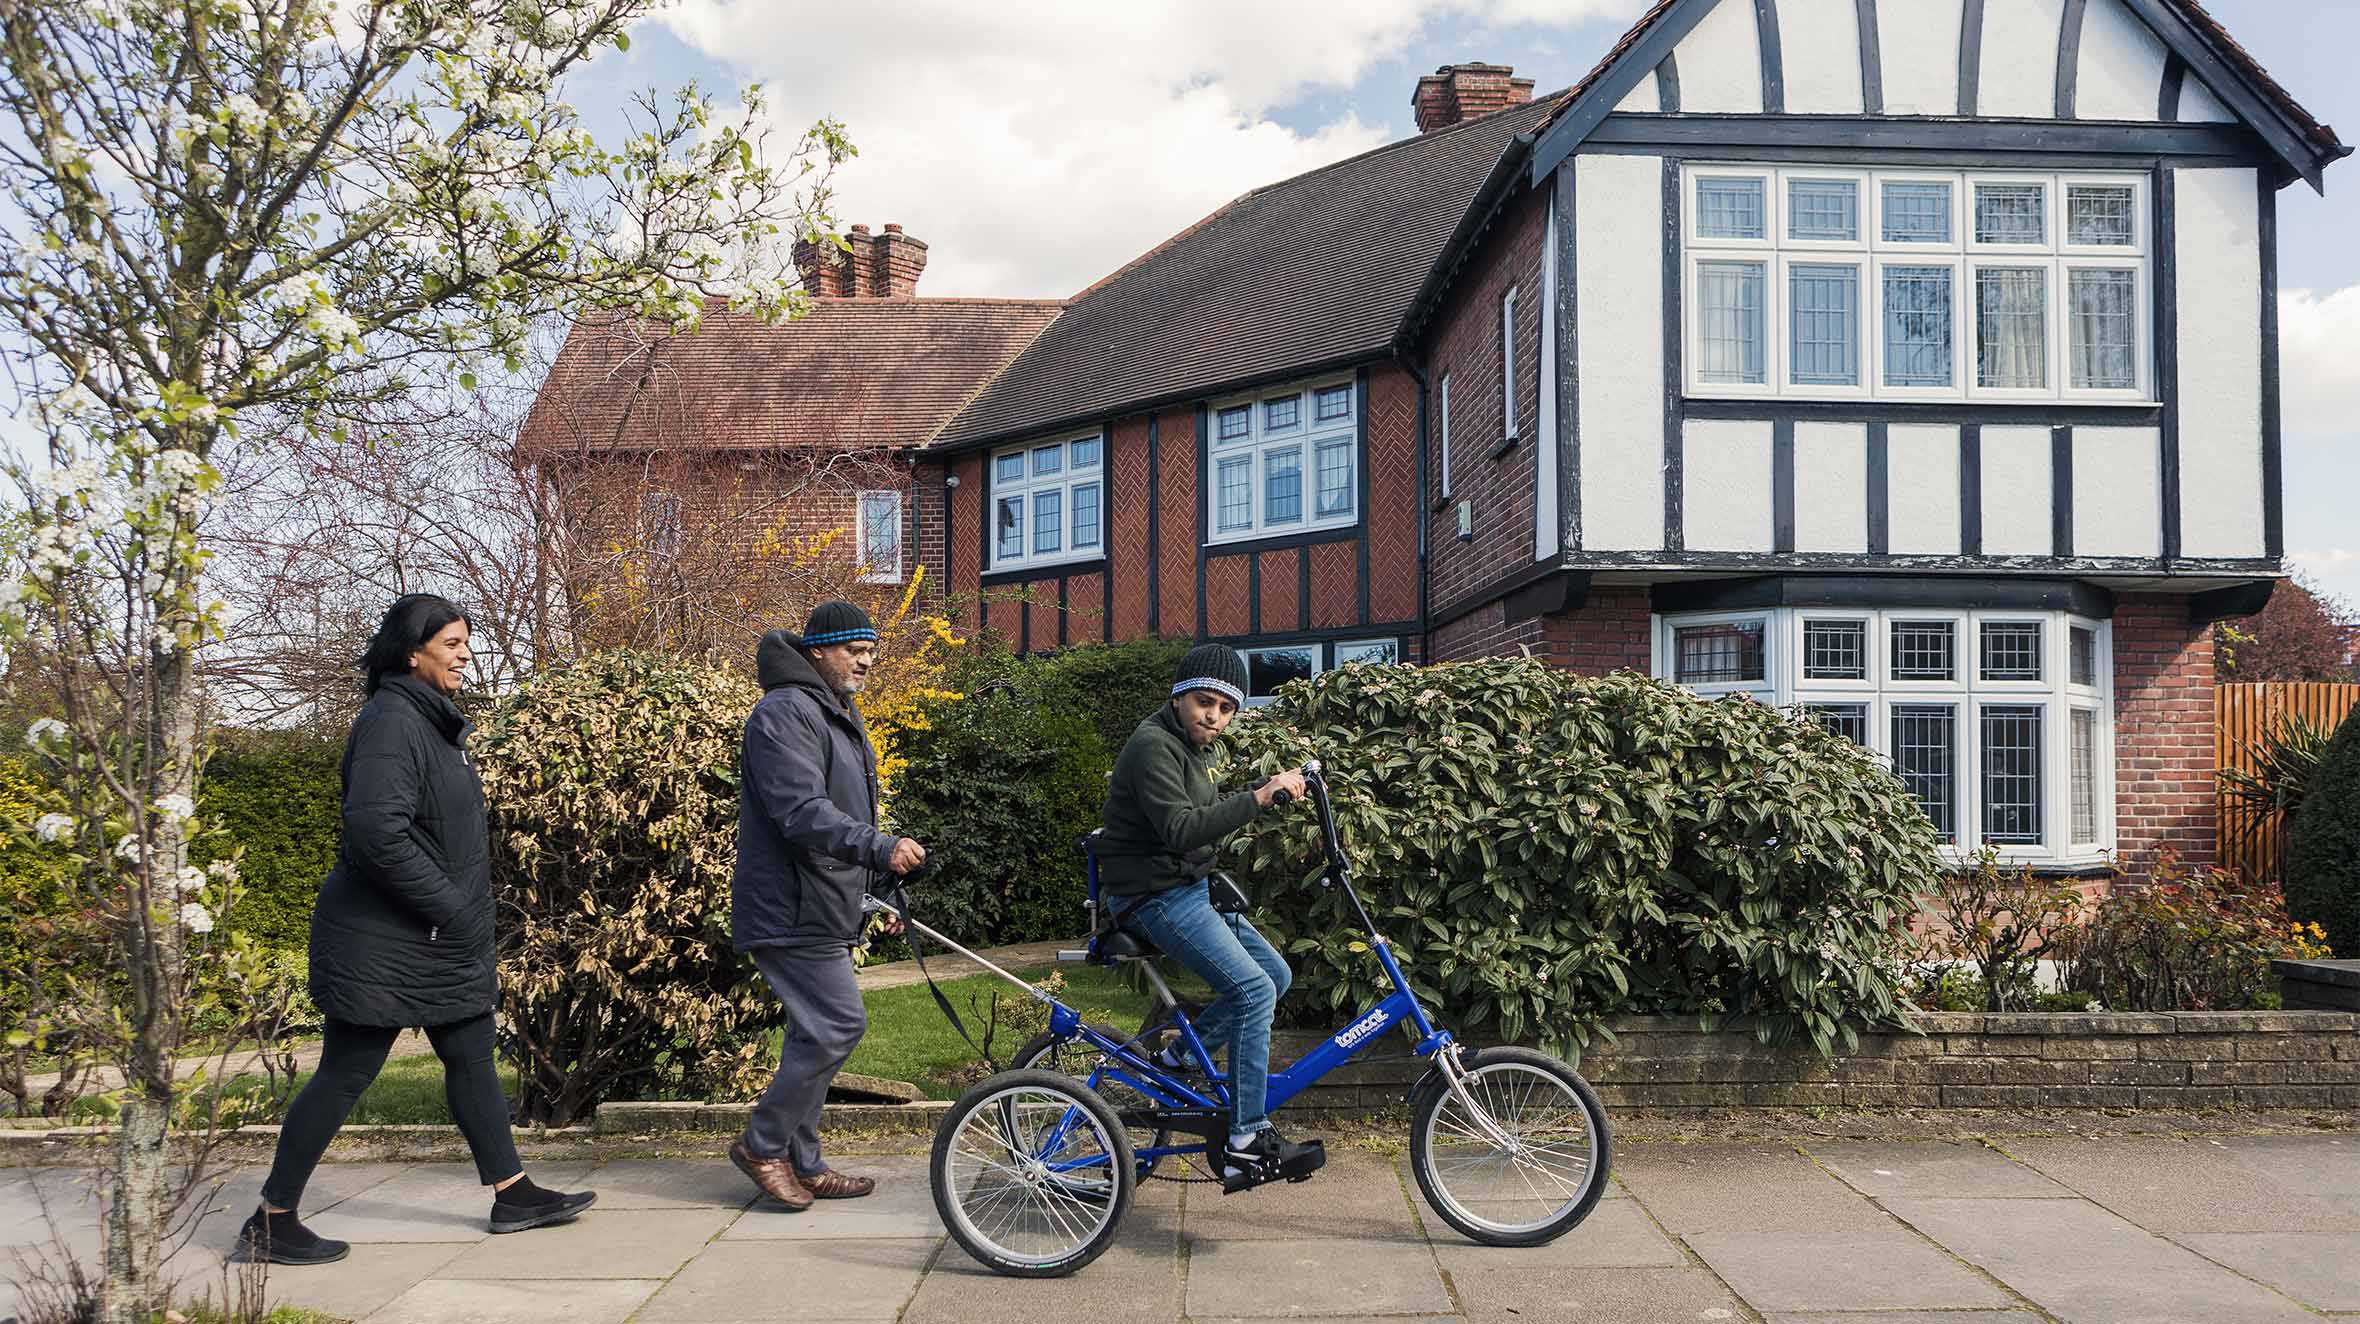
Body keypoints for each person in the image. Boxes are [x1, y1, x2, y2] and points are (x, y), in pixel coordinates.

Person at [237, 595, 594, 1266]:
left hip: (432, 940)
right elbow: (376, 833)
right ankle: (271, 1218)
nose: (465, 654)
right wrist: (451, 908)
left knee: (469, 1054)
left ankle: (512, 1192)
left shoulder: (430, 723)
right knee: (348, 1070)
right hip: (386, 941)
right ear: (412, 652)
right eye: (452, 643)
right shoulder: (392, 723)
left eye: (467, 642)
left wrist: (455, 913)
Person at [729, 600, 926, 1210]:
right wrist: (880, 847)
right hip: (789, 906)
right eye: (853, 650)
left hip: (822, 901)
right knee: (838, 1024)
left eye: (870, 650)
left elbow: (843, 813)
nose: (867, 660)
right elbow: (801, 813)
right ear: (817, 651)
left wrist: (876, 890)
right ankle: (762, 1144)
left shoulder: (833, 709)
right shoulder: (785, 712)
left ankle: (805, 1160)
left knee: (811, 1034)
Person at [1096, 643, 1314, 1182]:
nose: (1213, 716)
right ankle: (1245, 1136)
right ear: (1178, 697)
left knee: (1276, 975)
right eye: (1203, 701)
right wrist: (1260, 797)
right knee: (1254, 990)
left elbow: (1197, 815)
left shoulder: (1191, 749)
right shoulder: (1153, 746)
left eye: (1226, 708)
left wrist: (1263, 792)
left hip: (1185, 887)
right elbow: (1181, 829)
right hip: (1151, 896)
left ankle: (1179, 1061)